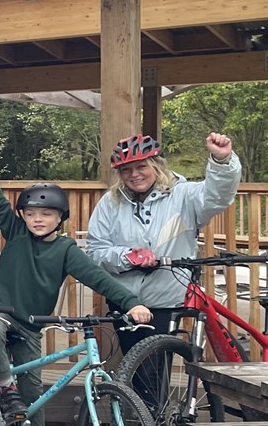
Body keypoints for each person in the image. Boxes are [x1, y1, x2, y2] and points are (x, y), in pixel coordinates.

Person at [0, 146, 152, 426]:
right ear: (23, 215)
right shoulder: (16, 231)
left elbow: (98, 278)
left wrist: (130, 302)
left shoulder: (65, 249)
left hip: (31, 325)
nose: (39, 219)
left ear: (60, 218)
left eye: (47, 214)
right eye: (33, 213)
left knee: (33, 390)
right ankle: (5, 389)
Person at [86, 132, 241, 363]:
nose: (134, 175)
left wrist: (221, 161)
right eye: (126, 170)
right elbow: (95, 251)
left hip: (165, 301)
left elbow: (217, 196)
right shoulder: (110, 202)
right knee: (134, 368)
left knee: (153, 372)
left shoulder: (183, 195)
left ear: (157, 165)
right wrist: (127, 256)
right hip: (124, 300)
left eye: (141, 166)